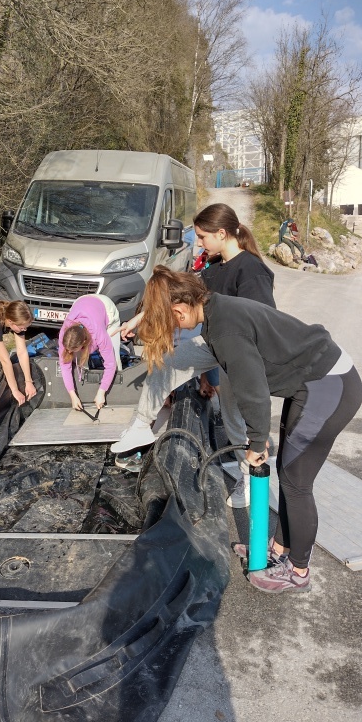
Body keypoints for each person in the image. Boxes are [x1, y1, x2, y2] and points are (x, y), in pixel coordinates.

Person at [137, 266, 361, 593]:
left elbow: (252, 390)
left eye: (170, 323)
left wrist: (257, 440)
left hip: (328, 385)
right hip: (313, 383)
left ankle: (298, 572)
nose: (174, 331)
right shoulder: (214, 309)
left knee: (297, 482)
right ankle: (280, 550)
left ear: (179, 310)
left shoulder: (226, 329)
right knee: (289, 472)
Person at [111, 203, 276, 508]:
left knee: (234, 417)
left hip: (241, 351)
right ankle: (139, 426)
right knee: (168, 362)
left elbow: (263, 322)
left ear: (222, 233)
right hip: (214, 341)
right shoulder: (215, 267)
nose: (198, 242)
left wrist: (238, 373)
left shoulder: (251, 271)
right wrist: (137, 319)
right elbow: (180, 295)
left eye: (202, 236)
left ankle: (249, 476)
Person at [59, 294, 122, 411]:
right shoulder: (65, 333)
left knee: (115, 360)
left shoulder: (99, 334)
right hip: (80, 301)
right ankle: (84, 391)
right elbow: (64, 365)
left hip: (105, 307)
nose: (69, 352)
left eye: (72, 350)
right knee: (75, 361)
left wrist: (101, 392)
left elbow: (110, 364)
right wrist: (72, 396)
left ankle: (106, 394)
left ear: (83, 342)